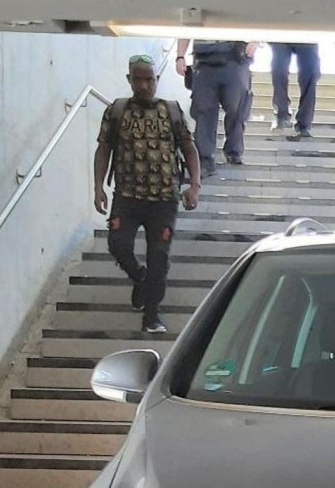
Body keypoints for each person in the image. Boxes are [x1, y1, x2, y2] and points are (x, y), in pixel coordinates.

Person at [93, 54, 201, 335]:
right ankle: (140, 279)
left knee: (159, 257)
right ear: (129, 80)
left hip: (164, 200)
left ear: (157, 80)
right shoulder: (116, 111)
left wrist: (195, 185)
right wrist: (98, 187)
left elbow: (189, 148)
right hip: (127, 197)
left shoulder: (172, 111)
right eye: (138, 79)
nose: (143, 86)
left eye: (149, 80)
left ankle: (152, 314)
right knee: (118, 245)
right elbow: (103, 148)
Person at [175, 39, 256, 178]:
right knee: (204, 111)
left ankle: (234, 150)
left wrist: (255, 40)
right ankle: (205, 160)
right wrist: (180, 56)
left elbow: (256, 20)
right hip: (204, 61)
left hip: (235, 57)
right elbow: (187, 26)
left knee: (237, 108)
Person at [270, 40, 320, 139]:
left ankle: (304, 124)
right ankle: (281, 114)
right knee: (278, 69)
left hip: (307, 35)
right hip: (282, 32)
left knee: (310, 74)